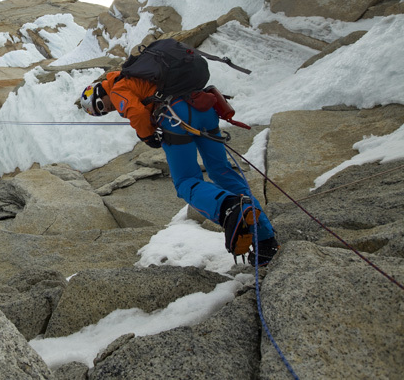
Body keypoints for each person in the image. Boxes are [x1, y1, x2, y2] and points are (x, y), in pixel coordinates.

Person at [80, 71, 279, 266]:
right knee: (221, 170)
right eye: (102, 112)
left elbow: (138, 113)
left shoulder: (117, 87)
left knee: (186, 182)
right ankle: (265, 240)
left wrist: (148, 136)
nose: (107, 109)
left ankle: (229, 208)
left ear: (99, 91)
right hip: (203, 107)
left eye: (100, 105)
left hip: (176, 118)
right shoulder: (139, 73)